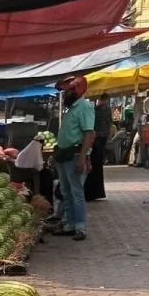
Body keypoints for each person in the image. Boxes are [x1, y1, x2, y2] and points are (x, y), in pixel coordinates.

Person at [51, 75, 95, 241]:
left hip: (74, 155)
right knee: (66, 191)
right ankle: (69, 224)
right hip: (64, 155)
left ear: (76, 90)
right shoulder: (72, 108)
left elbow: (89, 133)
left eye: (68, 91)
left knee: (76, 192)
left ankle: (80, 227)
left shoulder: (84, 106)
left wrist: (82, 158)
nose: (65, 94)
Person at [85, 93, 111, 201]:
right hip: (96, 139)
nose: (104, 102)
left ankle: (95, 192)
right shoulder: (94, 110)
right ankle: (91, 192)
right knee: (94, 165)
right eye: (103, 100)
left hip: (100, 139)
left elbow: (109, 123)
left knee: (96, 164)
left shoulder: (106, 110)